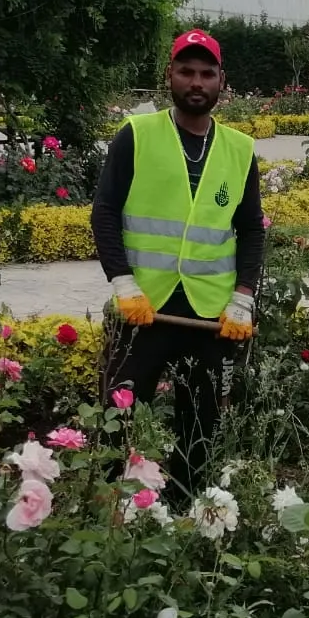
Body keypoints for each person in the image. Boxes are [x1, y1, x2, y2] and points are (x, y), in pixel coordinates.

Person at [92, 29, 263, 497]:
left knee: (201, 423)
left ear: (221, 80)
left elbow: (251, 229)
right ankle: (110, 506)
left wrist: (243, 296)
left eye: (207, 73)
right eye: (186, 71)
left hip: (208, 314)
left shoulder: (240, 149)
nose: (196, 81)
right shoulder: (137, 135)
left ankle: (186, 508)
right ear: (169, 75)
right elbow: (104, 212)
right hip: (144, 307)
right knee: (117, 415)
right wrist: (123, 282)